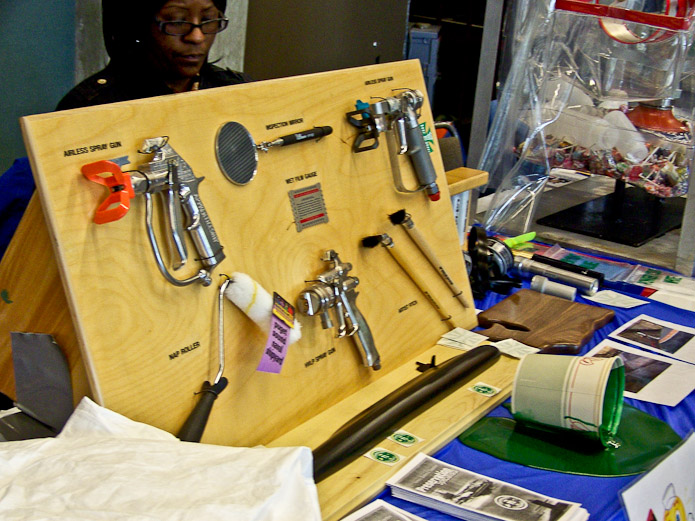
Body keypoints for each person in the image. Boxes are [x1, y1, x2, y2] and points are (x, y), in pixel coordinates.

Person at [56, 0, 251, 110]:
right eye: (177, 21)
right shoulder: (90, 106)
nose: (197, 36)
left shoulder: (238, 92)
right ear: (137, 25)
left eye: (208, 19)